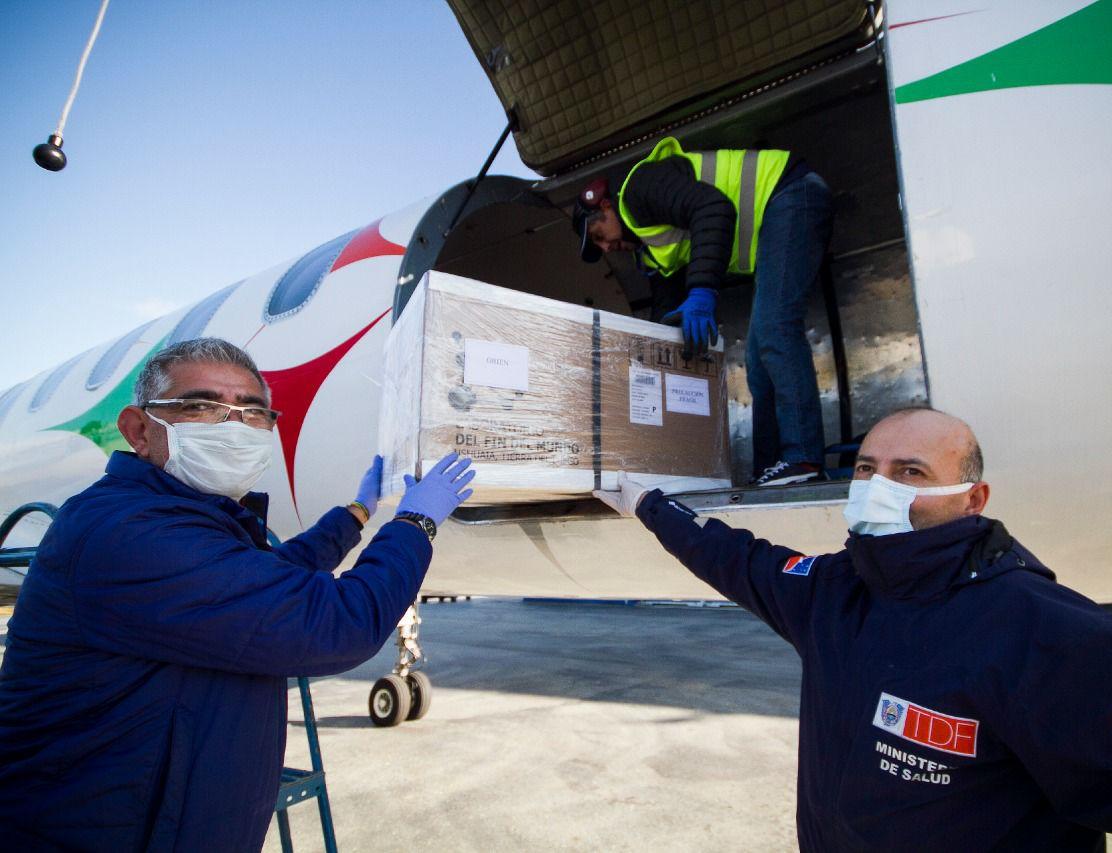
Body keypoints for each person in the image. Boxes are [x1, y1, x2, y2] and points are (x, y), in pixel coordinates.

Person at [594, 407, 1112, 850]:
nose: (878, 486)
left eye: (910, 472)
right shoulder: (833, 592)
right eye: (867, 468)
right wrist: (650, 504)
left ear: (972, 498)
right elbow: (734, 558)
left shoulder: (1045, 633)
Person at [0, 338, 475, 851]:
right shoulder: (129, 532)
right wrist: (416, 523)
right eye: (201, 407)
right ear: (139, 430)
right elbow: (336, 624)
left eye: (252, 412)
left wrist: (357, 513)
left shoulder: (184, 519)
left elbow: (268, 578)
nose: (233, 426)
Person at [572, 136, 833, 486]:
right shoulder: (651, 251)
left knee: (776, 329)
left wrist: (701, 292)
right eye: (600, 246)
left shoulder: (638, 191)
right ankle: (769, 469)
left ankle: (803, 459)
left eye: (599, 234)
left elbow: (714, 208)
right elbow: (664, 313)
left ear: (605, 205)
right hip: (778, 212)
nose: (606, 247)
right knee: (757, 361)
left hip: (787, 192)